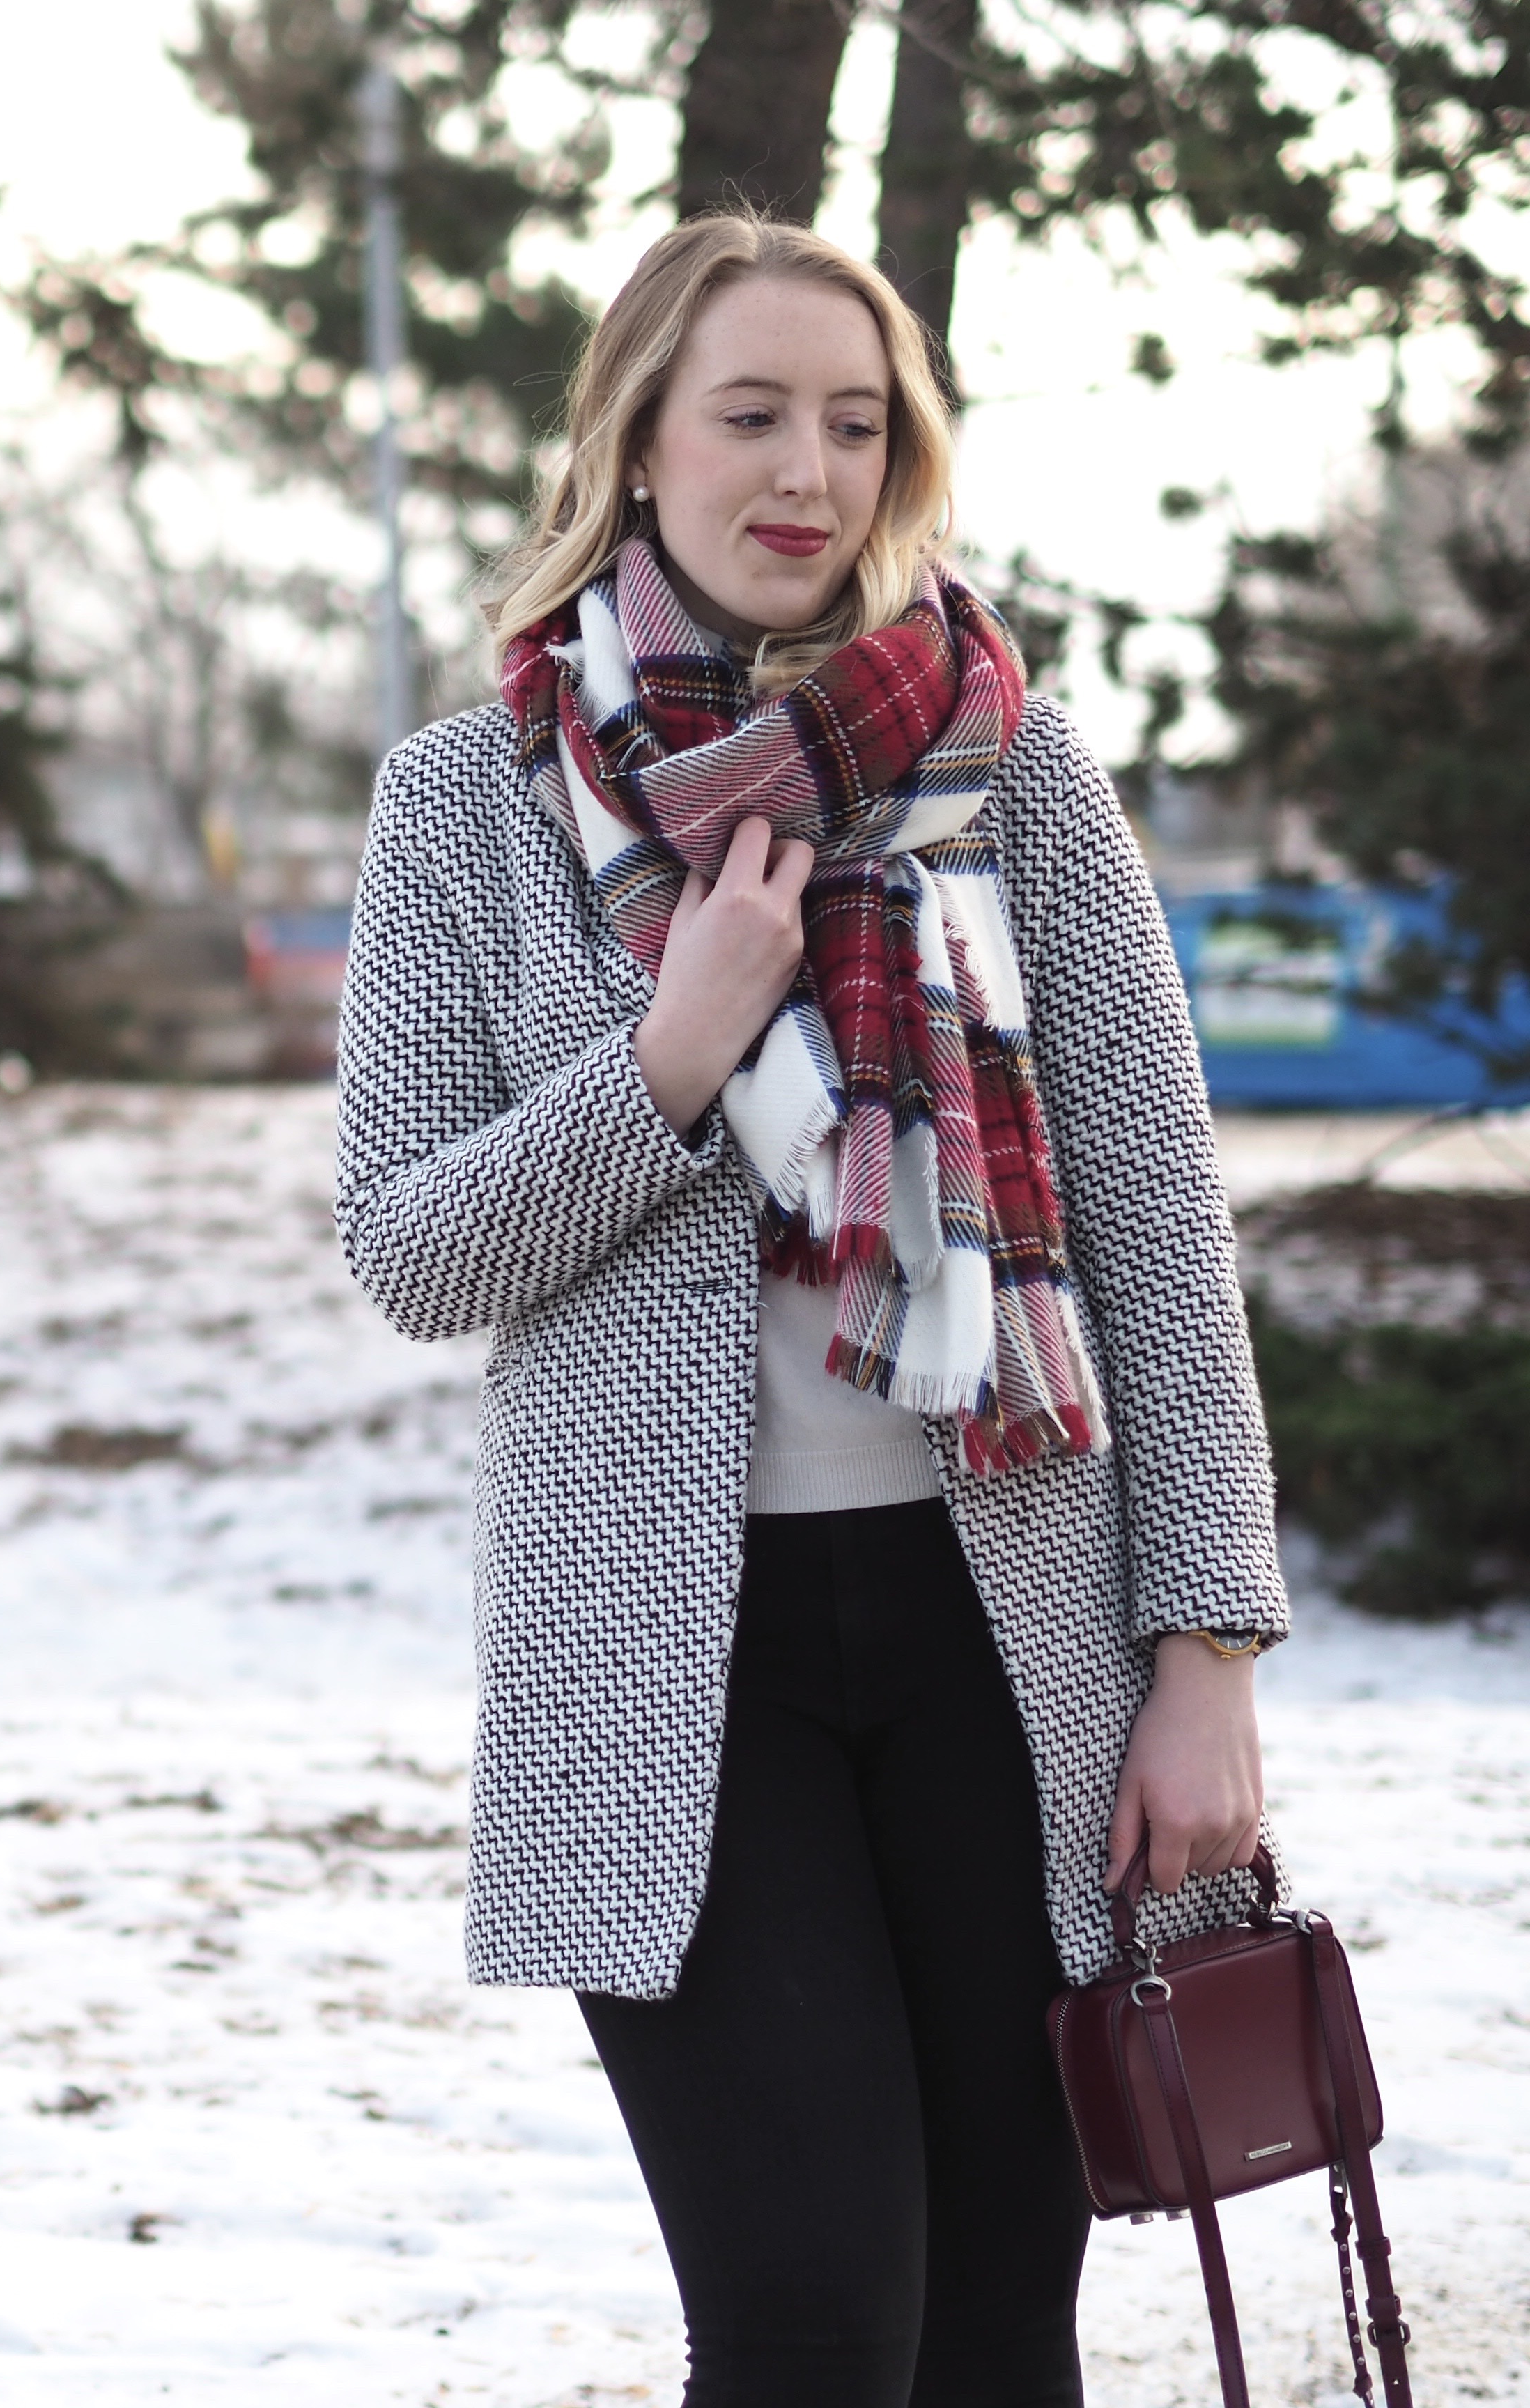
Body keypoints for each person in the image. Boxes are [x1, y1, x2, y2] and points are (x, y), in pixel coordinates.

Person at [332, 213, 1284, 2408]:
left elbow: (1155, 1233)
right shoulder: (462, 809)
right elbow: (408, 1245)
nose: (808, 470)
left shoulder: (1008, 772)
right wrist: (674, 1053)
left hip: (1008, 1644)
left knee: (991, 2337)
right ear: (635, 445)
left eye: (855, 424)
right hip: (672, 1672)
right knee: (807, 2323)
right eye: (751, 414)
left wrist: (1208, 1651)